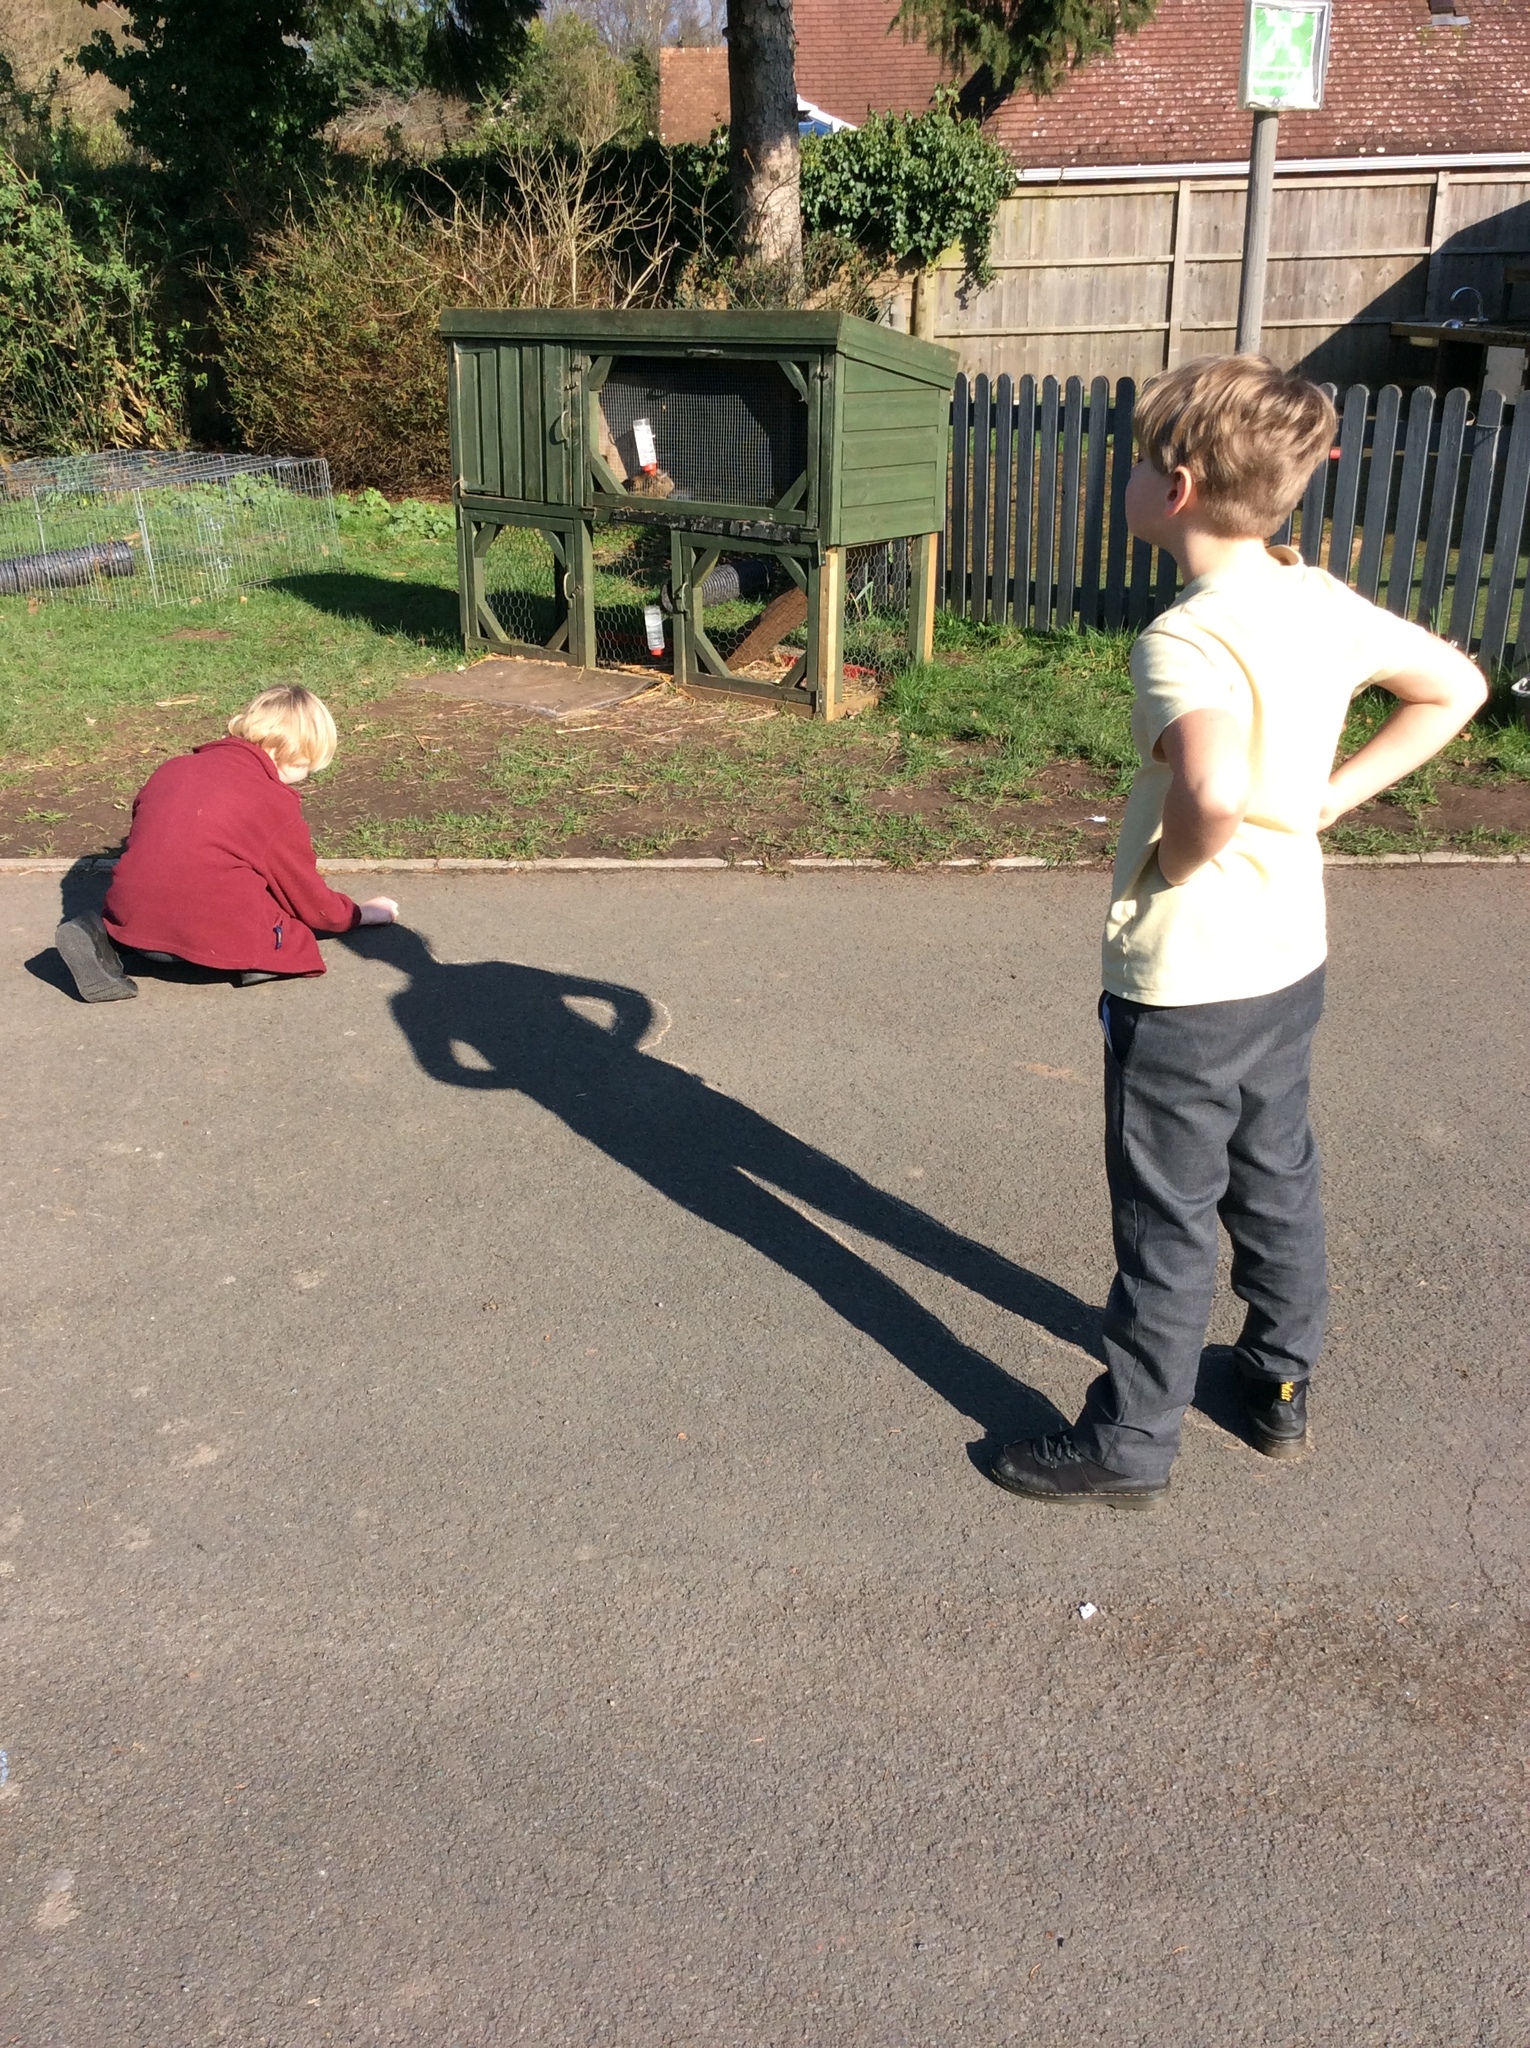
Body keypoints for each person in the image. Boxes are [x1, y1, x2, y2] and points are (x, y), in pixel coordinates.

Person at [989, 354, 1487, 1510]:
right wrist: (1329, 798)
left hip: (1187, 982)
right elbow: (1454, 686)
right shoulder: (1319, 599)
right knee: (1276, 1170)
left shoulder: (1187, 636)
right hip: (1285, 961)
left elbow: (1210, 788)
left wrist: (1179, 856)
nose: (1120, 476)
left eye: (1132, 461)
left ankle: (1131, 1443)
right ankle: (1276, 1380)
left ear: (1176, 487)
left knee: (1167, 1217)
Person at [54, 685, 397, 1002]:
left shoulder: (173, 769)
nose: (307, 776)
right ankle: (256, 956)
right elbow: (305, 892)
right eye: (307, 765)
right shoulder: (272, 800)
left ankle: (100, 935)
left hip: (129, 917)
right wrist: (358, 914)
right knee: (287, 933)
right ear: (288, 750)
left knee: (162, 895)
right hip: (206, 929)